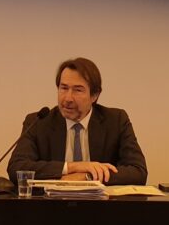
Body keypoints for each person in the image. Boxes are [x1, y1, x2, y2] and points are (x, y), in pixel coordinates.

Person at [8, 57, 147, 185]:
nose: (68, 98)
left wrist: (87, 176)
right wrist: (72, 167)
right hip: (52, 203)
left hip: (101, 203)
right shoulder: (38, 122)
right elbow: (17, 168)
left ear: (94, 95)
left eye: (78, 90)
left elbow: (138, 171)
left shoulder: (116, 121)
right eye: (64, 88)